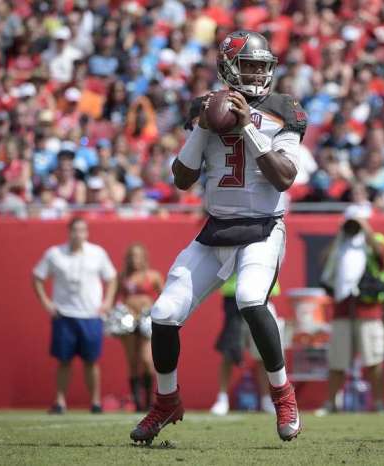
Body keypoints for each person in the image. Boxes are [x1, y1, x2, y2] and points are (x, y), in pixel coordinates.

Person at [130, 31, 307, 444]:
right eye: (249, 64)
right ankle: (166, 400)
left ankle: (282, 394)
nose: (258, 73)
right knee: (163, 313)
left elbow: (284, 177)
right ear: (228, 67)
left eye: (263, 65)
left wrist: (246, 127)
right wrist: (204, 127)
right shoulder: (205, 108)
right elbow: (181, 179)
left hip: (263, 226)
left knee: (249, 298)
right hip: (217, 227)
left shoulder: (285, 110)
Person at [32, 217, 117, 413]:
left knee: (91, 361)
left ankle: (95, 402)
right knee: (63, 360)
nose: (78, 234)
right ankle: (60, 402)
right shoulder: (54, 254)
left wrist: (108, 302)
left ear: (87, 233)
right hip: (64, 315)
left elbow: (111, 278)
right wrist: (46, 302)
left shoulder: (97, 253)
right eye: (75, 230)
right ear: (68, 231)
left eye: (82, 230)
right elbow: (37, 276)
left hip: (91, 315)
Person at [318, 204, 384, 414]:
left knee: (373, 360)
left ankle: (378, 404)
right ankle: (331, 403)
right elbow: (323, 263)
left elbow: (382, 257)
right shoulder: (340, 245)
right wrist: (340, 234)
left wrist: (364, 229)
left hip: (369, 310)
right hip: (343, 308)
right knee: (337, 360)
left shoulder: (378, 240)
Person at [210, 274, 284, 416]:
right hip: (234, 298)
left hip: (263, 297)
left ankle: (266, 399)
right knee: (229, 351)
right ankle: (222, 399)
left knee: (264, 354)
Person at [110, 244, 163, 412]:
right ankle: (137, 403)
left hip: (147, 320)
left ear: (144, 258)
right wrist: (113, 318)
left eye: (138, 256)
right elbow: (114, 298)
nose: (135, 259)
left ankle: (149, 400)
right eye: (132, 256)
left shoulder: (153, 276)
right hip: (128, 321)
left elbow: (165, 297)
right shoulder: (123, 277)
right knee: (132, 361)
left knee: (147, 360)